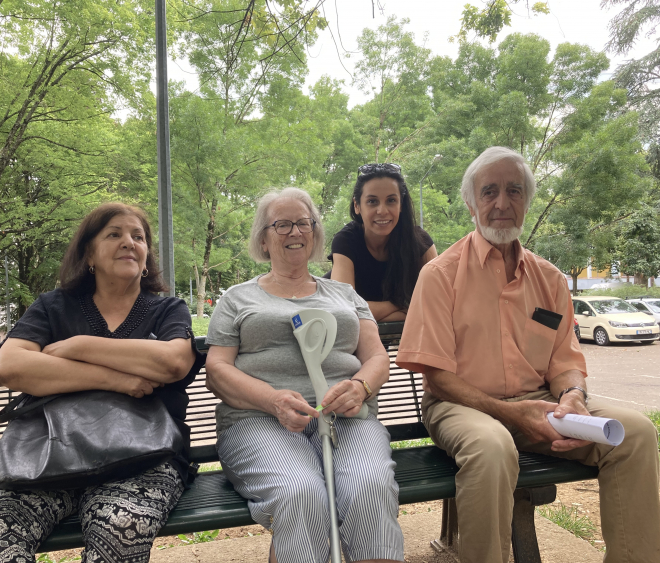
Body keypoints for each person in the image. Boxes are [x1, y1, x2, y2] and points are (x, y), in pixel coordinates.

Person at [396, 147, 660, 563]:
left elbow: (565, 362)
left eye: (514, 190)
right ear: (471, 204)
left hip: (540, 404)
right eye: (489, 192)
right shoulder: (440, 275)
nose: (502, 203)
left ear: (527, 201)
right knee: (491, 446)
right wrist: (511, 414)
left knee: (635, 433)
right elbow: (437, 379)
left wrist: (572, 396)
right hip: (461, 405)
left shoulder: (550, 278)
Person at [0, 202, 204, 563]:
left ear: (146, 258)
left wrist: (78, 346)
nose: (129, 242)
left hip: (143, 459)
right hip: (46, 457)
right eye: (114, 234)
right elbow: (8, 367)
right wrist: (116, 379)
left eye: (138, 237)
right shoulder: (53, 307)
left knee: (120, 528)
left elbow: (172, 363)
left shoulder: (167, 310)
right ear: (89, 254)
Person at [205, 187, 404, 563]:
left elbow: (377, 356)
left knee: (370, 488)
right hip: (259, 421)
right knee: (301, 493)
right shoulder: (237, 299)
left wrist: (360, 387)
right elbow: (216, 370)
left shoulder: (346, 295)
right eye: (281, 225)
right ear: (263, 239)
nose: (295, 232)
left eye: (304, 223)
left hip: (346, 418)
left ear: (315, 233)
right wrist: (272, 400)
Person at [326, 163, 437, 321]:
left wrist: (374, 313)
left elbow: (436, 304)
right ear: (357, 205)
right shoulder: (345, 241)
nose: (382, 211)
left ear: (401, 204)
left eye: (391, 200)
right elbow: (345, 309)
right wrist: (401, 305)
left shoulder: (421, 243)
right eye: (372, 201)